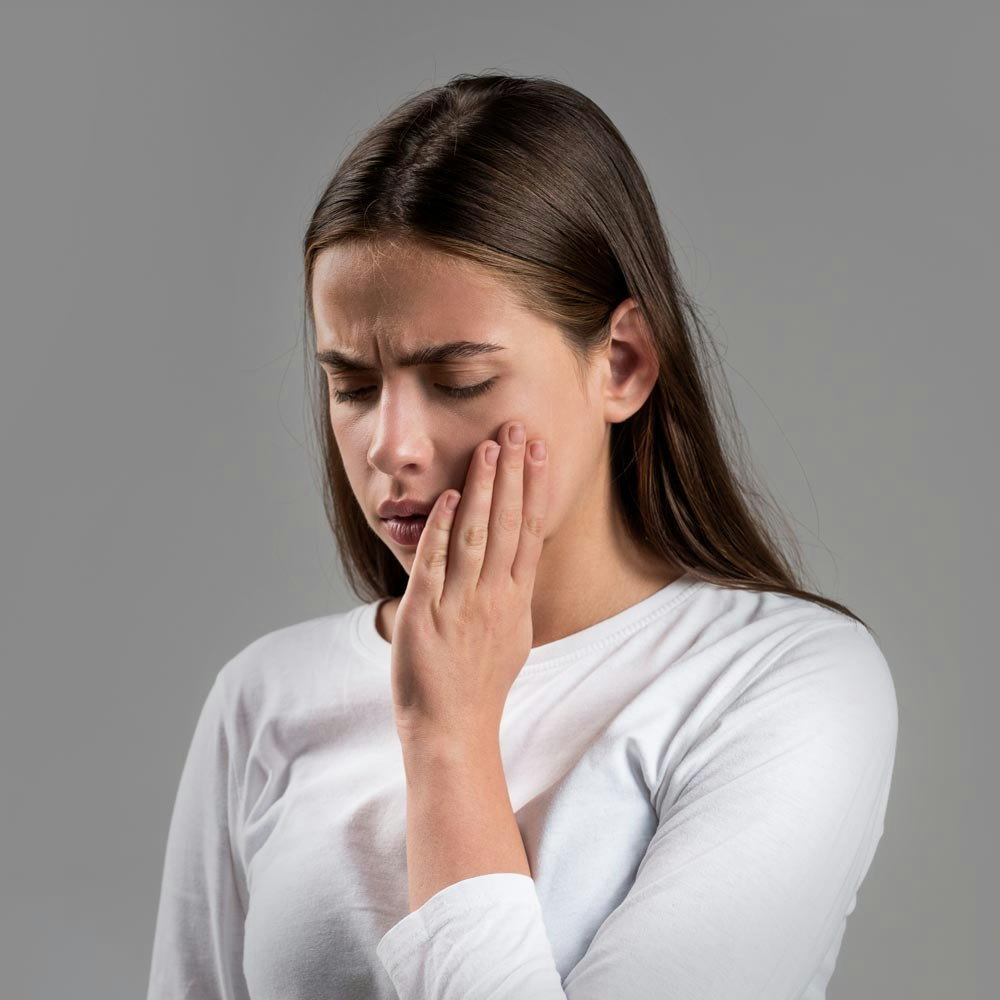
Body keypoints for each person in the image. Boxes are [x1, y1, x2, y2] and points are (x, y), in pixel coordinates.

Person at [146, 72, 898, 1000]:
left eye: (458, 381)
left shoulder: (782, 680)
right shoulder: (264, 697)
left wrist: (450, 736)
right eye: (352, 386)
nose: (391, 447)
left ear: (622, 363)